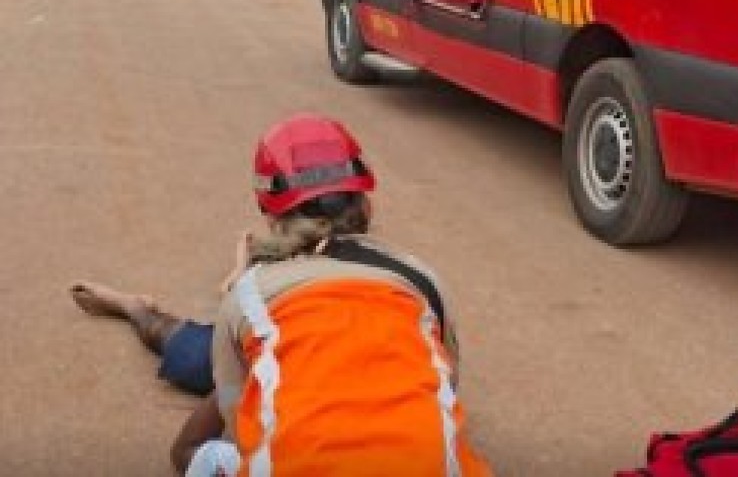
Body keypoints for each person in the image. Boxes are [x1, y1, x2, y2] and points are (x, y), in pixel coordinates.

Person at [71, 113, 491, 477]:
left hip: (260, 328)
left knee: (201, 381)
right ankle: (145, 307)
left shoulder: (252, 299)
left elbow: (236, 420)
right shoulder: (422, 280)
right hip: (272, 322)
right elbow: (444, 383)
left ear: (271, 216)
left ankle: (139, 309)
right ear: (366, 204)